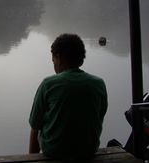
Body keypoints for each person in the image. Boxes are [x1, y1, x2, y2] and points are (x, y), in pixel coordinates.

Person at [28, 33, 108, 161]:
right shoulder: (99, 84)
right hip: (88, 151)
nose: (53, 63)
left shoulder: (48, 84)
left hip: (54, 152)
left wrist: (31, 159)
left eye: (53, 59)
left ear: (58, 57)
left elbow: (35, 125)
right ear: (81, 60)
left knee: (38, 130)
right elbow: (99, 117)